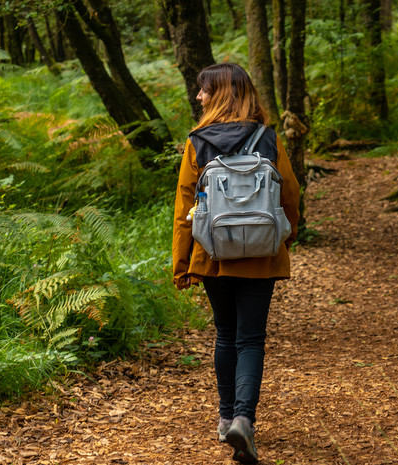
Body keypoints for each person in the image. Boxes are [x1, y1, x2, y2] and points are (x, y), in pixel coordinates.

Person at [172, 63, 300, 464]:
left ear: (221, 94)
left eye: (204, 91)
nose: (198, 97)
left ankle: (227, 418)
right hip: (261, 251)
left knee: (226, 334)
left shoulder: (197, 142)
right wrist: (285, 236)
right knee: (251, 338)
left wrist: (182, 263)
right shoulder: (268, 138)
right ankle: (245, 418)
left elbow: (184, 208)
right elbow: (291, 193)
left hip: (213, 253)